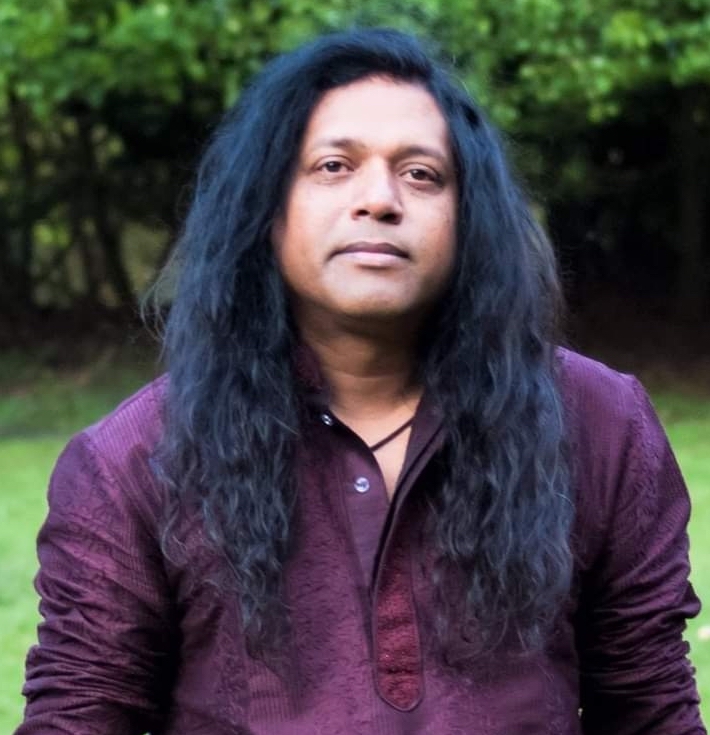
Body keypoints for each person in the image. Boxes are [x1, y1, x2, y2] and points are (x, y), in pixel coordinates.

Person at [16, 28, 705, 734]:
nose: (379, 199)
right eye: (333, 165)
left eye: (422, 174)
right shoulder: (132, 462)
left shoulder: (600, 425)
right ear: (267, 208)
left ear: (469, 219)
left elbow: (651, 710)